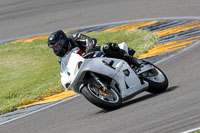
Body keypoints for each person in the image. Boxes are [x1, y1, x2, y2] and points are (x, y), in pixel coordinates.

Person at [47, 30, 141, 68]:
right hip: (86, 66)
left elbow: (90, 40)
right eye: (54, 48)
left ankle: (135, 62)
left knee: (107, 47)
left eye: (57, 46)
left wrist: (89, 49)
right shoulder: (61, 59)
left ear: (63, 41)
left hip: (96, 54)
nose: (56, 49)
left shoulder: (74, 38)